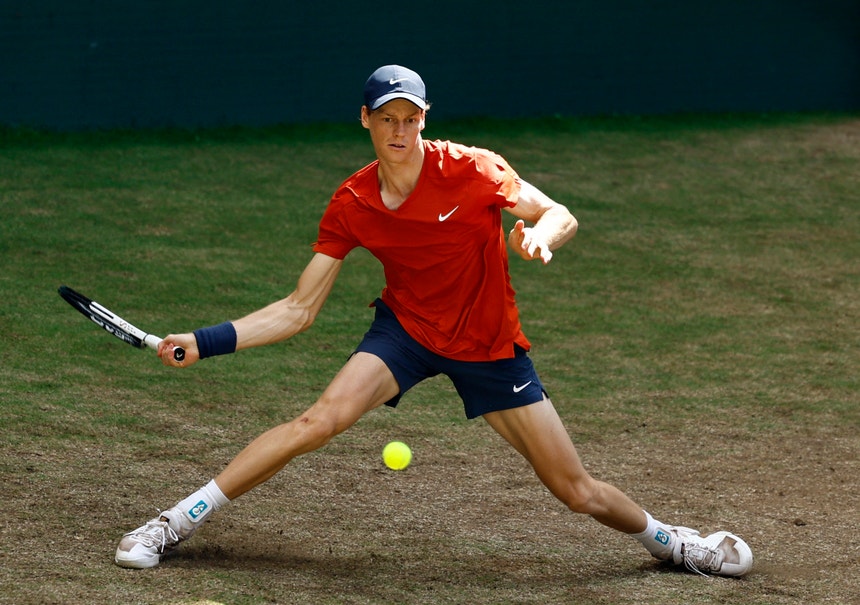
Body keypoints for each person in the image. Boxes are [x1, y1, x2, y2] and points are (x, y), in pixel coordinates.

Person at [114, 65, 753, 577]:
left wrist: (542, 238)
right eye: (387, 118)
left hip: (487, 343)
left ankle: (674, 543)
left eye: (411, 119)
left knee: (575, 489)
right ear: (365, 119)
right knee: (316, 421)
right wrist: (203, 343)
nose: (399, 131)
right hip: (408, 333)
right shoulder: (354, 201)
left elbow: (555, 210)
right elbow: (298, 308)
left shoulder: (472, 169)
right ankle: (174, 522)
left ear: (425, 121)